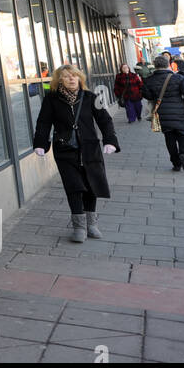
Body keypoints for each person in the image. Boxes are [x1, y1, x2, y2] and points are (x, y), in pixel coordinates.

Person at [33, 64, 120, 243]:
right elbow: (43, 122)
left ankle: (91, 224)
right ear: (60, 80)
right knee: (73, 186)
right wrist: (41, 143)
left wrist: (110, 140)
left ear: (80, 78)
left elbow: (105, 120)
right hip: (65, 150)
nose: (72, 79)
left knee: (91, 184)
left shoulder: (91, 97)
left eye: (74, 75)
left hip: (90, 148)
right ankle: (78, 226)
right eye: (66, 76)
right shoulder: (51, 99)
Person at [141, 52, 184, 171]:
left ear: (155, 66)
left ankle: (176, 162)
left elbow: (147, 95)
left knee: (169, 137)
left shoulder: (149, 80)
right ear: (168, 65)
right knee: (183, 135)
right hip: (180, 112)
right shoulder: (178, 77)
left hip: (162, 113)